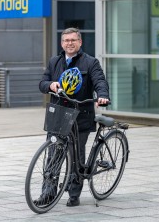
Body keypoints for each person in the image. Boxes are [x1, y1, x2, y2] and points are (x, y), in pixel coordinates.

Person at [38, 27, 110, 207]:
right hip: (58, 116)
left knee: (75, 156)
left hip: (80, 117)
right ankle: (48, 194)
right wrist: (51, 85)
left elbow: (100, 81)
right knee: (52, 157)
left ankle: (74, 194)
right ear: (62, 43)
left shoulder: (90, 62)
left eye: (73, 40)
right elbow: (42, 83)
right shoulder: (55, 61)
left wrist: (102, 95)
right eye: (66, 40)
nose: (69, 43)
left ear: (80, 42)